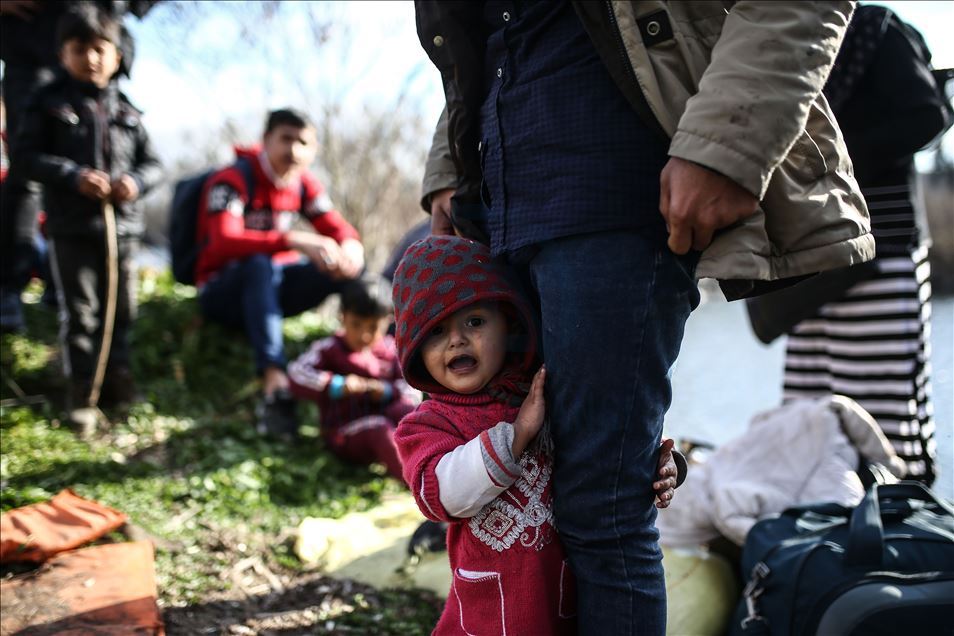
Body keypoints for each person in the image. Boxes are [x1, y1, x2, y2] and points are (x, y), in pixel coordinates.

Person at [414, 2, 872, 634]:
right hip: (493, 201)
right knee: (560, 461)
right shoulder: (424, 420)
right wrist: (448, 165)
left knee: (604, 505)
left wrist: (730, 144)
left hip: (611, 181)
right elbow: (476, 35)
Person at [392, 235, 685, 635]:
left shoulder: (543, 389)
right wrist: (516, 435)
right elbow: (439, 495)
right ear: (415, 349)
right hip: (491, 620)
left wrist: (658, 466)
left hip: (564, 604)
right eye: (437, 331)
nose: (457, 339)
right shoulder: (428, 423)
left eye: (474, 321)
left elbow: (603, 443)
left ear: (508, 323)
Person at [780, 4, 951, 485]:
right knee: (811, 417)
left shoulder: (876, 30)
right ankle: (824, 538)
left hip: (880, 250)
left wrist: (827, 156)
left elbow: (928, 115)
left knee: (885, 423)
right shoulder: (786, 36)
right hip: (811, 255)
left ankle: (899, 539)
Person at [16, 4, 162, 424]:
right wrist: (73, 176)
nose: (91, 58)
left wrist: (134, 182)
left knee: (123, 310)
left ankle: (118, 380)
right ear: (62, 54)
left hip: (124, 232)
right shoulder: (46, 103)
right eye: (79, 49)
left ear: (118, 55)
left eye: (100, 49)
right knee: (81, 311)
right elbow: (26, 157)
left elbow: (153, 164)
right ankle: (82, 393)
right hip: (70, 227)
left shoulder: (129, 110)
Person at [195, 108, 365, 440]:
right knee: (259, 265)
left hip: (271, 289)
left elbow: (337, 227)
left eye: (304, 142)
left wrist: (351, 247)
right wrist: (292, 240)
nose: (294, 150)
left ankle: (363, 359)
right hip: (222, 292)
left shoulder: (304, 185)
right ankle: (275, 384)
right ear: (266, 140)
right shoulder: (232, 180)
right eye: (286, 138)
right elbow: (223, 242)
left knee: (344, 267)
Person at [0, 0, 157, 333]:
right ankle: (9, 288)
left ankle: (62, 287)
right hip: (28, 46)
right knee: (25, 174)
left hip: (98, 30)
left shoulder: (109, 72)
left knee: (95, 165)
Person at [287, 273, 420, 475]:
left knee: (413, 414)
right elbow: (296, 373)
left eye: (373, 327)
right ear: (342, 316)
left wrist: (385, 391)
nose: (364, 335)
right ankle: (417, 484)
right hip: (342, 433)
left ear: (389, 321)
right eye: (356, 325)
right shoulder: (329, 348)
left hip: (387, 421)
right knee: (378, 428)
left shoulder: (392, 351)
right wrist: (335, 384)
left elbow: (411, 389)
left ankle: (431, 464)